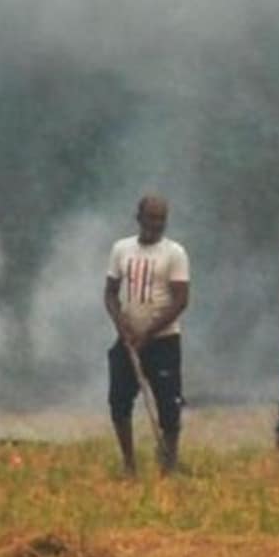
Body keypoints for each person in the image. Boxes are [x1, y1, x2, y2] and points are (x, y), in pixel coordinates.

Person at [104, 194, 190, 475]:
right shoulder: (121, 249)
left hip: (163, 341)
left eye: (161, 219)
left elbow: (180, 300)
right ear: (138, 218)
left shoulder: (174, 253)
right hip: (128, 340)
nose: (156, 224)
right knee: (119, 401)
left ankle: (169, 464)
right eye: (151, 218)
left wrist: (149, 333)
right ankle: (129, 465)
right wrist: (122, 326)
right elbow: (110, 293)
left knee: (169, 404)